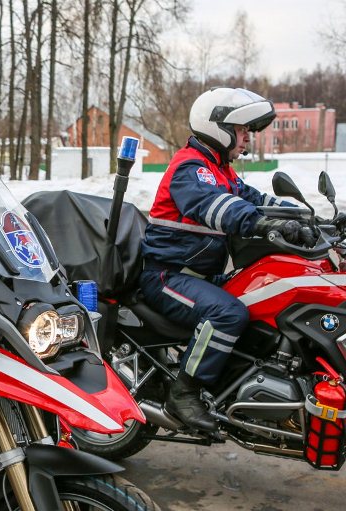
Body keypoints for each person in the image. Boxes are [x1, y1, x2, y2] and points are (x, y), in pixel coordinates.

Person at [139, 87, 314, 432]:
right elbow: (217, 207)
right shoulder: (191, 168)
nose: (248, 138)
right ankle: (184, 391)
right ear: (218, 126)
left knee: (261, 293)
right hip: (166, 276)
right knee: (227, 312)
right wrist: (264, 224)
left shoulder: (221, 170)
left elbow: (256, 199)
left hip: (198, 277)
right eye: (243, 130)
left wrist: (304, 218)